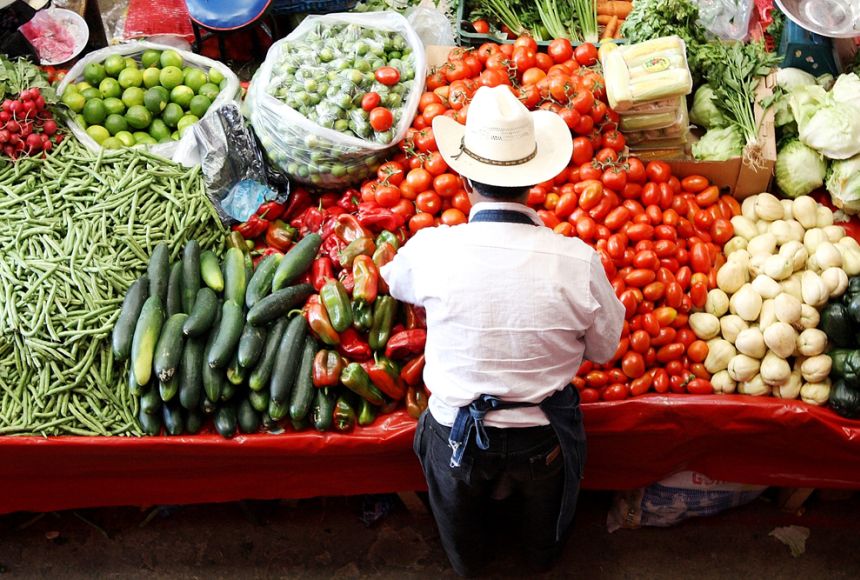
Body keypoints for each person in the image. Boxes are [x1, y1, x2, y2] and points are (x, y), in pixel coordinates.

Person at [380, 85, 625, 576]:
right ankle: (540, 561)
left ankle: (470, 568)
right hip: (543, 434)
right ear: (533, 183)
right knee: (543, 530)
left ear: (466, 180)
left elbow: (394, 281)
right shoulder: (577, 260)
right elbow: (604, 348)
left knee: (462, 533)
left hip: (455, 431)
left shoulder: (433, 249)